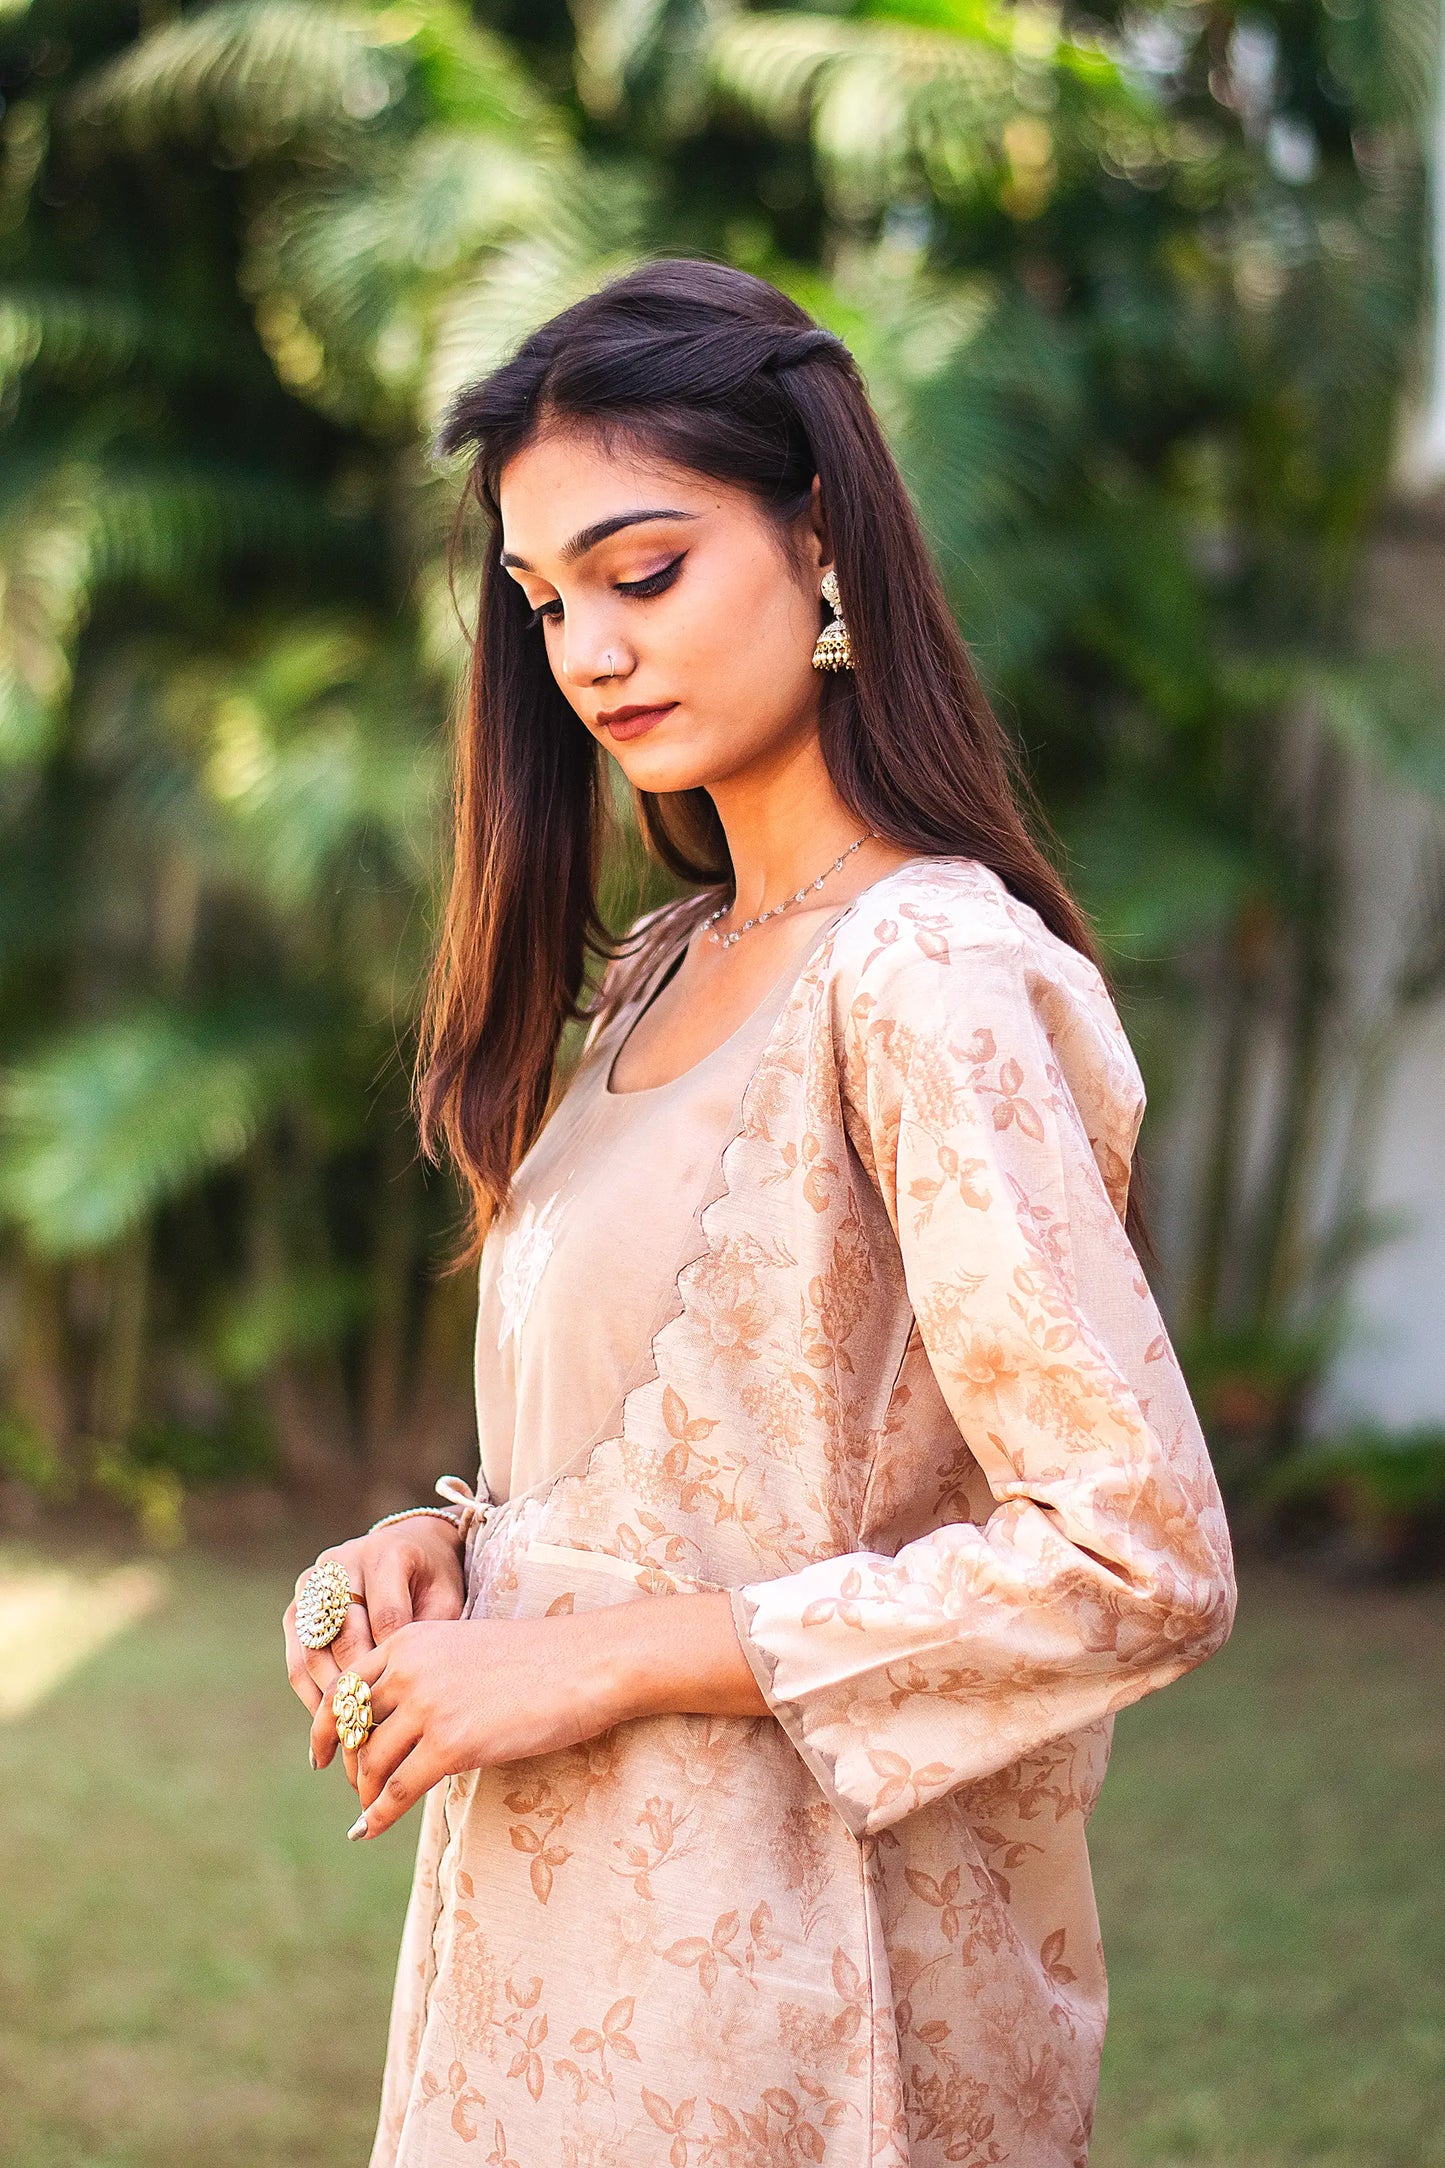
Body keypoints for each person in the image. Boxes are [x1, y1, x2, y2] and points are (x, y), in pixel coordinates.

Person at [283, 258, 1236, 2168]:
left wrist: (597, 1659)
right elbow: (674, 1488)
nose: (588, 652)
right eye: (546, 601)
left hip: (789, 2005)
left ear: (820, 551)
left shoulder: (928, 972)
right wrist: (442, 1562)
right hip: (537, 1960)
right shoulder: (659, 965)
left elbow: (1134, 1554)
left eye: (643, 573)